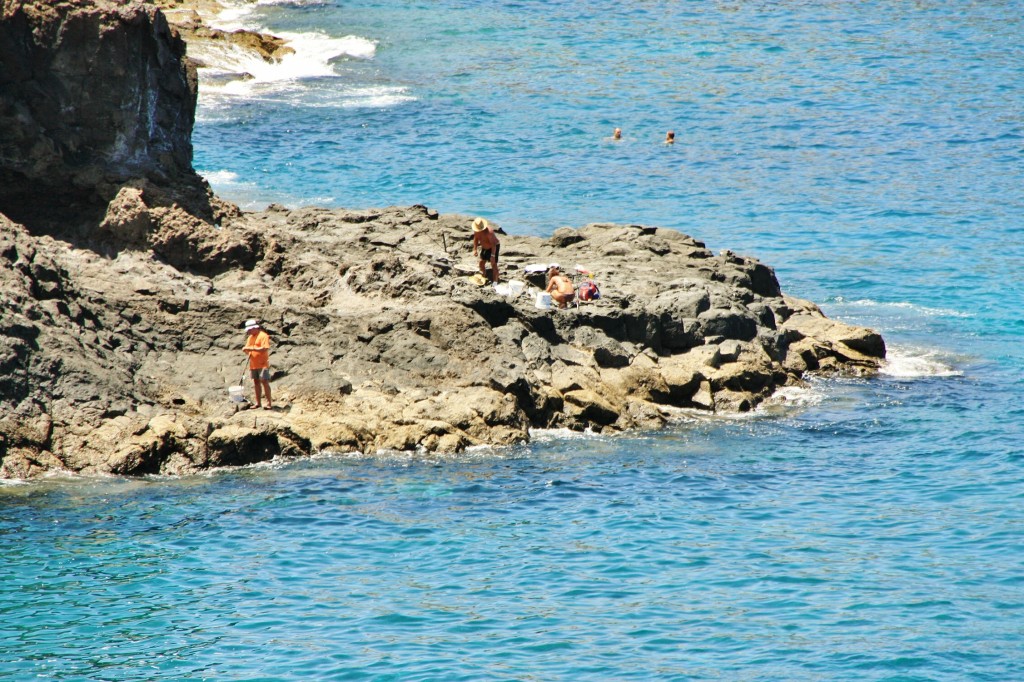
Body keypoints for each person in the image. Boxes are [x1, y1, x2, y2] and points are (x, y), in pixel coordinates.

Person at [242, 319, 272, 410]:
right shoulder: (250, 337)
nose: (248, 332)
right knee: (256, 382)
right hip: (253, 364)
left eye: (250, 330)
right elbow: (248, 349)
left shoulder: (263, 336)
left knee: (264, 381)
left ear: (255, 328)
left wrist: (250, 348)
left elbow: (264, 348)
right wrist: (246, 350)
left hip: (262, 364)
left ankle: (269, 403)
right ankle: (258, 403)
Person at [472, 217, 501, 283]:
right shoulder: (476, 231)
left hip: (493, 247)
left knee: (493, 264)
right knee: (481, 263)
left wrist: (493, 255)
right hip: (485, 247)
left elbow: (493, 244)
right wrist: (475, 249)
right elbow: (475, 239)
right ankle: (483, 276)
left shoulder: (489, 232)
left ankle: (495, 282)